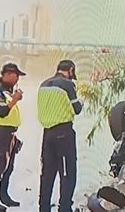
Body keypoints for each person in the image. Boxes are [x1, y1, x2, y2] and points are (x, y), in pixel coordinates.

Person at [37, 60, 84, 212]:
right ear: (70, 70)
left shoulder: (43, 84)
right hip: (64, 134)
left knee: (47, 173)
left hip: (47, 134)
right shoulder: (68, 85)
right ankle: (64, 208)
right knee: (67, 174)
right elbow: (76, 109)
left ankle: (43, 207)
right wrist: (82, 101)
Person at [0, 63, 26, 210]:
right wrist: (14, 99)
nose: (17, 80)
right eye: (16, 76)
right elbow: (2, 111)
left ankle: (3, 195)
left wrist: (14, 98)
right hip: (1, 134)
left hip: (10, 134)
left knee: (8, 168)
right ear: (8, 75)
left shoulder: (7, 92)